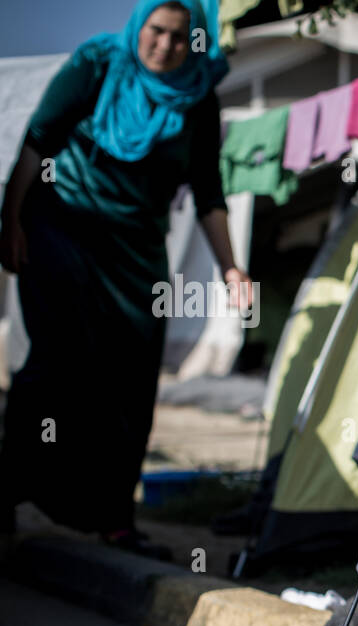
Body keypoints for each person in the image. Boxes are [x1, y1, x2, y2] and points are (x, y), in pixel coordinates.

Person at [0, 0, 253, 558]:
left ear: (197, 42)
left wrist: (232, 267)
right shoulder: (97, 63)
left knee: (132, 377)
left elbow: (208, 194)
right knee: (58, 359)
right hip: (62, 222)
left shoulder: (199, 97)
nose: (164, 46)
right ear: (140, 26)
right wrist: (9, 220)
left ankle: (113, 516)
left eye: (180, 38)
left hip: (136, 249)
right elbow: (38, 140)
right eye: (156, 32)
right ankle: (12, 492)